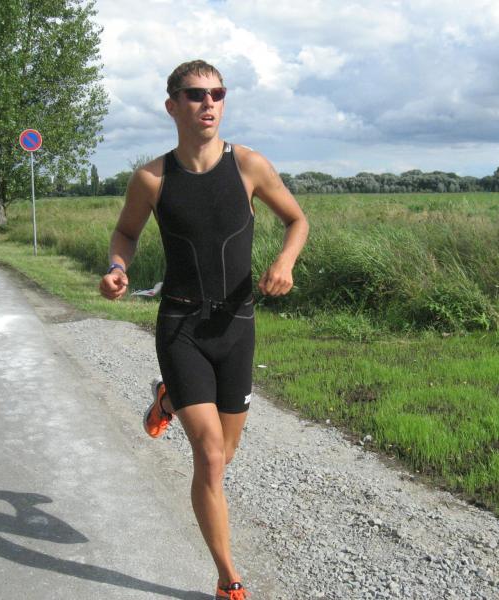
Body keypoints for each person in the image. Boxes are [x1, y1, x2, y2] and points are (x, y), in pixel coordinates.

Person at [98, 59, 309, 600]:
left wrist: (285, 261)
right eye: (195, 94)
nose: (208, 102)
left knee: (226, 453)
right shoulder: (152, 178)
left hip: (237, 325)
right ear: (172, 106)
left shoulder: (249, 166)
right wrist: (118, 267)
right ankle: (227, 577)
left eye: (217, 93)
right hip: (181, 324)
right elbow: (125, 233)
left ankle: (167, 400)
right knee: (210, 458)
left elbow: (297, 220)